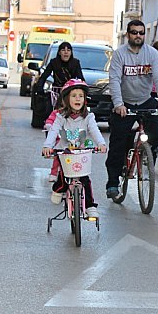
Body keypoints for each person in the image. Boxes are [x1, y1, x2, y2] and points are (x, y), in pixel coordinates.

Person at [105, 20, 158, 200]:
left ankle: (143, 152)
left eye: (141, 33)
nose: (138, 36)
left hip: (145, 100)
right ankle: (112, 183)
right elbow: (115, 80)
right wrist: (118, 104)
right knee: (118, 142)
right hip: (124, 103)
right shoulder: (119, 55)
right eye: (134, 32)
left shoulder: (152, 54)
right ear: (128, 35)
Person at [42, 79, 107, 219]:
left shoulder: (89, 117)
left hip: (82, 152)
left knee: (85, 179)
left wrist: (101, 143)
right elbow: (53, 131)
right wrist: (48, 146)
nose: (78, 98)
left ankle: (89, 206)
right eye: (73, 95)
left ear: (85, 99)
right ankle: (58, 189)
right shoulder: (60, 117)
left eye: (81, 96)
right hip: (64, 152)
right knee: (63, 177)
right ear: (66, 99)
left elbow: (95, 131)